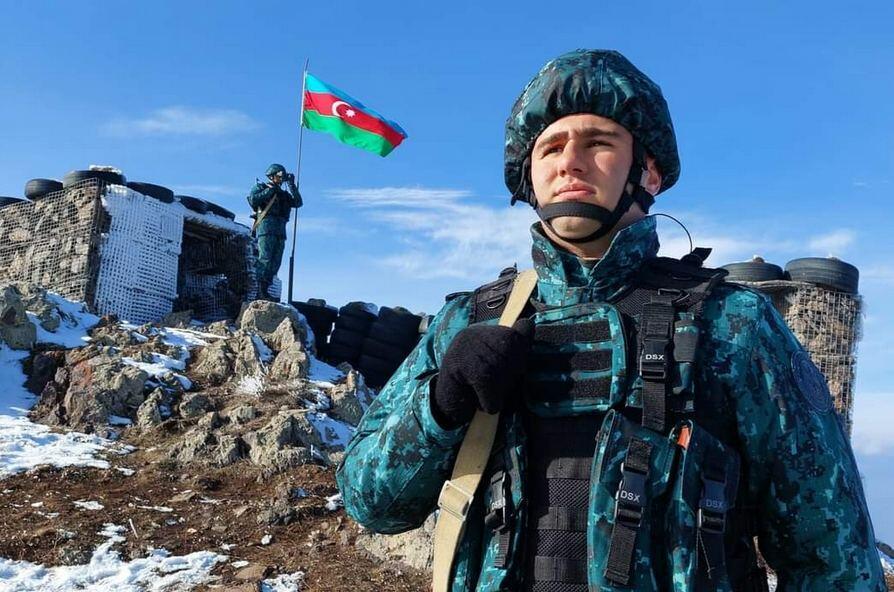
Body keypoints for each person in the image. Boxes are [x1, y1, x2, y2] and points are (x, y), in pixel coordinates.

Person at [336, 50, 884, 591]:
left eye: (598, 143)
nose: (570, 162)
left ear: (649, 171)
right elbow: (370, 504)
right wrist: (440, 403)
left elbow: (831, 556)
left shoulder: (732, 324)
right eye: (551, 147)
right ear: (529, 176)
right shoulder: (468, 322)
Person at [247, 163, 303, 300]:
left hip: (280, 230)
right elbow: (253, 200)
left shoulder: (283, 194)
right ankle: (260, 291)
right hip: (266, 228)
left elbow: (297, 202)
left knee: (275, 262)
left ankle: (265, 289)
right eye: (279, 175)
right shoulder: (261, 187)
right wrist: (271, 190)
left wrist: (291, 185)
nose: (281, 178)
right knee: (265, 259)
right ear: (272, 176)